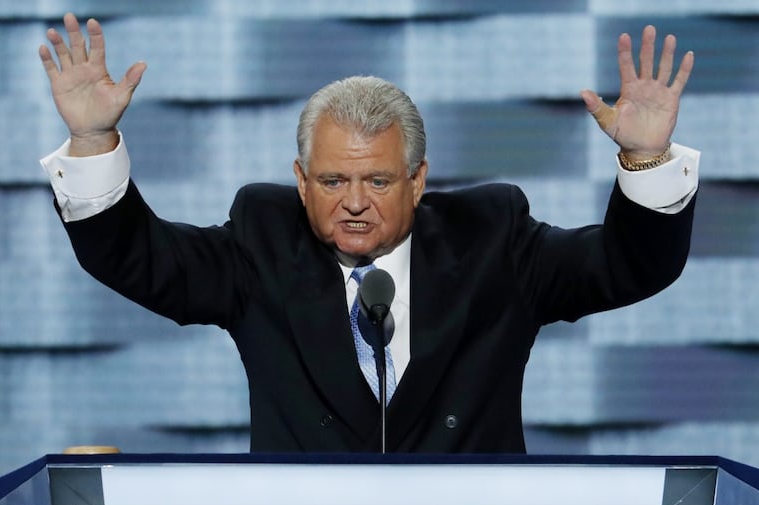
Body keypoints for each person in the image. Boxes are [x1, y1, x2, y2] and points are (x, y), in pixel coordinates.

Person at [38, 13, 698, 453]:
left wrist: (645, 160)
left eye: (378, 182)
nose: (353, 202)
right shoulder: (263, 243)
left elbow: (625, 264)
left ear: (417, 180)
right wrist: (93, 140)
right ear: (301, 181)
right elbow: (139, 258)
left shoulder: (492, 239)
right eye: (331, 182)